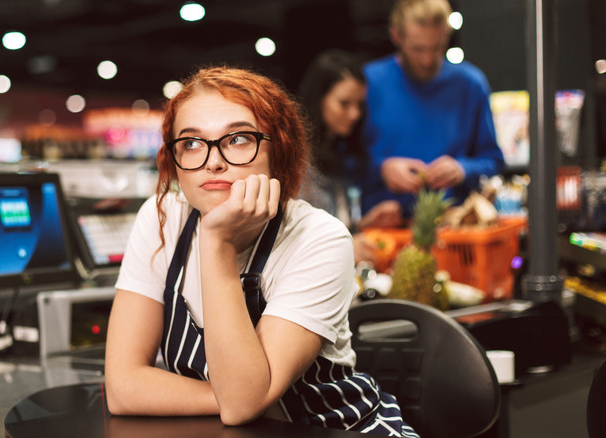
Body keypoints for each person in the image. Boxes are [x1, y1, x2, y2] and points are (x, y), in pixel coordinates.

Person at [105, 66, 418, 437]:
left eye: (238, 139)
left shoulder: (319, 238)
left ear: (279, 149)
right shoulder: (160, 219)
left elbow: (241, 406)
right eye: (190, 143)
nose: (212, 160)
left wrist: (216, 243)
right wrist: (235, 396)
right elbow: (123, 389)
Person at [360, 0, 505, 219]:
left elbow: (494, 160)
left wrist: (462, 169)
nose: (427, 60)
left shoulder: (470, 85)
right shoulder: (368, 83)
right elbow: (340, 162)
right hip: (382, 230)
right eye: (417, 48)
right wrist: (381, 169)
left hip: (453, 228)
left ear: (446, 36)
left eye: (436, 48)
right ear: (396, 36)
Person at [297, 49, 404, 265]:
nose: (355, 114)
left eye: (359, 105)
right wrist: (347, 246)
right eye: (344, 103)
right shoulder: (296, 159)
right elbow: (293, 241)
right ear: (319, 98)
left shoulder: (339, 152)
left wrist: (365, 224)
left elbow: (333, 225)